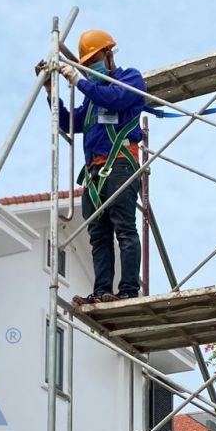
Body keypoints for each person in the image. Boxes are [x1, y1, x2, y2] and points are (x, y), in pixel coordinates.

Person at [44, 27, 148, 307]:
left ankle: (128, 289)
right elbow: (68, 123)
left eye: (93, 62)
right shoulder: (91, 99)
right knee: (99, 235)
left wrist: (79, 81)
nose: (90, 68)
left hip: (120, 164)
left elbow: (114, 99)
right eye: (86, 64)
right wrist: (52, 94)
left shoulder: (130, 79)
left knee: (124, 229)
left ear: (108, 54)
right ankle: (102, 289)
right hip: (94, 174)